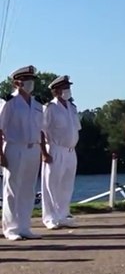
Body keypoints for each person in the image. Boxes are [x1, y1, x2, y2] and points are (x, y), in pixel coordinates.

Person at [1, 65, 48, 240]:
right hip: (14, 146)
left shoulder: (37, 104)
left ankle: (24, 226)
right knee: (12, 189)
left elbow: (41, 131)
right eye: (26, 80)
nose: (30, 84)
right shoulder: (9, 103)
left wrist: (42, 150)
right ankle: (11, 228)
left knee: (28, 189)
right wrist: (0, 154)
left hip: (33, 148)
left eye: (31, 80)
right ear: (16, 82)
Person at [40, 74, 80, 229]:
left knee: (66, 185)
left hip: (71, 150)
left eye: (68, 87)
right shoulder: (49, 108)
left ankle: (63, 214)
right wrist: (44, 152)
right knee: (52, 184)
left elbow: (75, 129)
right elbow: (41, 132)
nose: (67, 90)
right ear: (56, 91)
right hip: (55, 149)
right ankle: (50, 217)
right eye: (64, 88)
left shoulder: (72, 107)